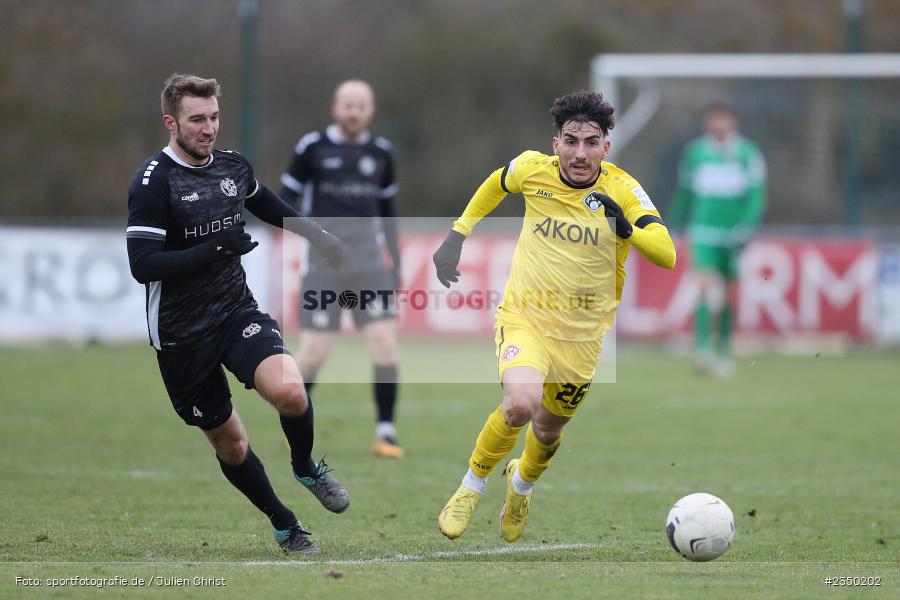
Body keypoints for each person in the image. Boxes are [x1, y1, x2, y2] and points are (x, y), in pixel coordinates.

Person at [432, 91, 676, 542]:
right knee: (520, 404)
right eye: (571, 141)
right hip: (526, 317)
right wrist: (457, 235)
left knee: (547, 430)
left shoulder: (623, 190)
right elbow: (496, 183)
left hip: (582, 337)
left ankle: (521, 485)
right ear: (555, 144)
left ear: (606, 147)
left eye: (591, 143)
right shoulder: (532, 170)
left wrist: (627, 229)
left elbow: (667, 254)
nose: (579, 153)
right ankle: (471, 486)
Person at [126, 74, 350, 555]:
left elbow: (264, 202)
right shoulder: (153, 181)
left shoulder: (231, 166)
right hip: (181, 335)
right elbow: (143, 265)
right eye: (196, 120)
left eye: (214, 117)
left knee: (291, 391)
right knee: (232, 445)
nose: (208, 128)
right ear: (171, 123)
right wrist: (214, 248)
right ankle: (285, 524)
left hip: (234, 311)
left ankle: (306, 467)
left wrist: (317, 235)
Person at [279, 80, 404, 458]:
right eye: (348, 105)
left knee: (384, 344)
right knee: (314, 352)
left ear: (371, 110)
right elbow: (285, 198)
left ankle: (386, 433)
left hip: (369, 266)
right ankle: (292, 424)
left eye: (361, 105)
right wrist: (308, 232)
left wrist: (396, 263)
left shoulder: (381, 153)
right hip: (324, 268)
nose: (354, 112)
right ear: (335, 108)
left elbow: (388, 212)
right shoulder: (312, 148)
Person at [669, 102, 766, 377]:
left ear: (732, 122)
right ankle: (702, 349)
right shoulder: (695, 153)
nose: (718, 125)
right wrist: (673, 225)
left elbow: (756, 196)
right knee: (704, 286)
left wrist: (747, 226)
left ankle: (723, 350)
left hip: (734, 234)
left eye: (723, 120)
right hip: (702, 232)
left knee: (729, 294)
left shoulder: (748, 154)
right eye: (713, 120)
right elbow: (685, 193)